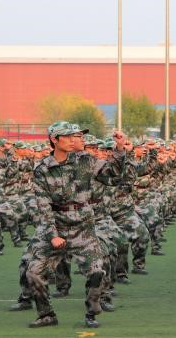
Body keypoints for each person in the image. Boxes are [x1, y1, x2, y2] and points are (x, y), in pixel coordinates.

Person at [25, 121, 131, 328]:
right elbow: (43, 206)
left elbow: (113, 175)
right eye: (68, 136)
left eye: (75, 136)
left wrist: (119, 149)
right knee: (33, 272)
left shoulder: (86, 160)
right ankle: (46, 314)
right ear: (54, 140)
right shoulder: (42, 169)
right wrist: (53, 235)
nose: (74, 139)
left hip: (83, 227)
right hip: (56, 227)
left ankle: (92, 312)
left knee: (97, 271)